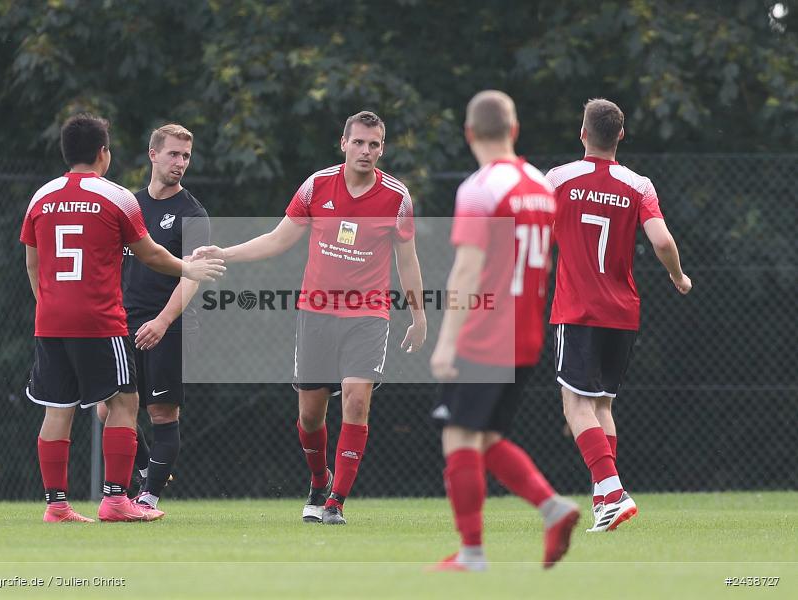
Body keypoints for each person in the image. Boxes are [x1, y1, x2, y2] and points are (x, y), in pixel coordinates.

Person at [195, 111, 427, 525]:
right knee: (309, 415)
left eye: (374, 145)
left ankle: (336, 502)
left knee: (357, 401)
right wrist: (223, 253)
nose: (366, 151)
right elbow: (278, 238)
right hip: (315, 312)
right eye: (358, 142)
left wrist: (419, 314)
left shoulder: (397, 197)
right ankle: (319, 481)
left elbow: (407, 260)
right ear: (343, 143)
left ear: (382, 149)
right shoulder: (317, 185)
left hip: (369, 315)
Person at [20, 114, 225, 523]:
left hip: (51, 319)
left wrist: (50, 304)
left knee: (57, 410)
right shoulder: (118, 198)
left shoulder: (41, 197)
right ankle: (116, 500)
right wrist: (189, 270)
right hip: (101, 320)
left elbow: (32, 262)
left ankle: (56, 506)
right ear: (103, 153)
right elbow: (149, 254)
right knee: (125, 402)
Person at [429, 91, 580, 571]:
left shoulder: (479, 188)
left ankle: (472, 553)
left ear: (470, 133)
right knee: (486, 438)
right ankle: (554, 509)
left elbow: (467, 272)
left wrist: (447, 342)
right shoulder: (540, 185)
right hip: (526, 333)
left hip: (486, 329)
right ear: (514, 131)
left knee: (458, 435)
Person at [546, 99, 691, 532]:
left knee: (575, 405)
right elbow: (662, 241)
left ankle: (612, 490)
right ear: (621, 136)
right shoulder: (639, 185)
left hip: (577, 308)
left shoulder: (558, 178)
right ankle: (603, 499)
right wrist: (679, 277)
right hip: (622, 310)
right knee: (602, 404)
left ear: (583, 133)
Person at [95, 124, 210, 512]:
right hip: (120, 323)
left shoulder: (192, 213)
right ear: (153, 154)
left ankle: (148, 496)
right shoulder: (129, 204)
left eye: (186, 156)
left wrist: (162, 322)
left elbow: (192, 278)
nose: (180, 163)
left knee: (162, 411)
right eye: (173, 154)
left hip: (167, 325)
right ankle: (148, 471)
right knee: (105, 408)